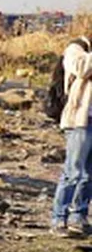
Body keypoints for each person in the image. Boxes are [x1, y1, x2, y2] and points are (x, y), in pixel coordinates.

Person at [52, 35, 92, 235]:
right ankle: (59, 218)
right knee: (73, 172)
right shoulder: (76, 48)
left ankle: (79, 216)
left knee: (88, 174)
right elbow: (82, 69)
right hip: (79, 121)